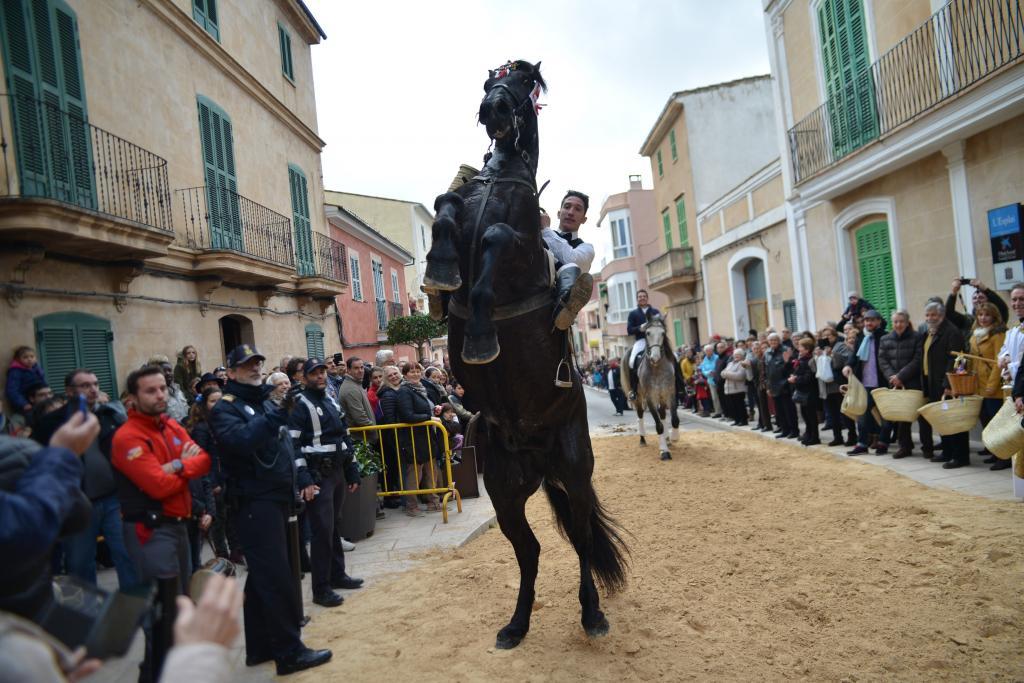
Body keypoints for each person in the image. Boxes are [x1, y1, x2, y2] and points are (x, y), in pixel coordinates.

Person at [209, 344, 332, 676]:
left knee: (263, 577)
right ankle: (289, 652)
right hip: (253, 502)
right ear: (231, 372)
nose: (255, 368)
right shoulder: (225, 409)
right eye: (246, 364)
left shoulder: (261, 401)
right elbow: (242, 441)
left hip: (274, 498)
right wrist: (277, 413)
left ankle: (260, 646)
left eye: (258, 362)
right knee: (277, 577)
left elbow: (282, 444)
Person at [111, 364, 212, 682]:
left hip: (180, 525)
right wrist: (183, 465)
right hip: (150, 530)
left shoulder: (169, 425)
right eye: (150, 391)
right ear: (132, 397)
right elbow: (157, 485)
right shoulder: (127, 437)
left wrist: (174, 466)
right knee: (163, 610)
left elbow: (203, 461)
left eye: (163, 389)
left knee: (179, 605)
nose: (159, 395)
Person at [28, 369, 137, 590]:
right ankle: (88, 609)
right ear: (69, 391)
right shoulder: (52, 423)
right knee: (80, 562)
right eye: (85, 385)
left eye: (95, 384)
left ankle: (136, 607)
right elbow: (36, 460)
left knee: (126, 555)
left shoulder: (110, 416)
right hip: (76, 502)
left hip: (113, 499)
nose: (93, 389)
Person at [289, 358, 364, 608]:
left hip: (337, 471)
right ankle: (320, 589)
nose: (320, 376)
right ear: (304, 378)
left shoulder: (330, 400)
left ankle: (337, 574)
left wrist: (352, 470)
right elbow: (293, 445)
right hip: (317, 475)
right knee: (321, 531)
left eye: (322, 372)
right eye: (314, 373)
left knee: (333, 527)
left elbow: (345, 436)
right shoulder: (299, 404)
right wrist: (305, 480)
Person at [919, 302, 969, 469]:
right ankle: (947, 451)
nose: (930, 318)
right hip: (933, 382)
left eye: (933, 314)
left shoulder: (951, 332)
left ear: (941, 315)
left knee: (953, 419)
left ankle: (960, 456)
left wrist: (949, 383)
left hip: (946, 383)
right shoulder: (930, 332)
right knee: (942, 419)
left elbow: (956, 359)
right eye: (927, 315)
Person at [543, 190, 596, 331]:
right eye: (567, 207)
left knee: (571, 267)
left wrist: (545, 230)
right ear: (558, 213)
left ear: (584, 219)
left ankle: (564, 307)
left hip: (553, 312)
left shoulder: (587, 248)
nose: (571, 212)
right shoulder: (540, 233)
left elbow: (571, 260)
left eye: (577, 209)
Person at [396, 362, 443, 517]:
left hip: (426, 436)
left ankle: (433, 502)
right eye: (411, 372)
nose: (415, 374)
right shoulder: (404, 391)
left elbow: (423, 409)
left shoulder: (421, 389)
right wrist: (428, 417)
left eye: (417, 371)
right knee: (415, 473)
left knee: (431, 470)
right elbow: (407, 415)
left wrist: (434, 410)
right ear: (405, 374)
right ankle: (412, 506)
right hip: (413, 438)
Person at [876, 310, 922, 458]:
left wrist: (901, 376)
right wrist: (892, 377)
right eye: (895, 321)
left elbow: (918, 359)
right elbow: (882, 360)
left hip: (913, 381)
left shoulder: (917, 337)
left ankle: (927, 446)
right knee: (901, 416)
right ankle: (905, 446)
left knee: (920, 416)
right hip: (894, 382)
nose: (898, 324)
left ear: (907, 323)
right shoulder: (885, 339)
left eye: (901, 321)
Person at [969, 302, 1009, 470]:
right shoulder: (975, 334)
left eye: (987, 315)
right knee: (985, 420)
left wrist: (992, 385)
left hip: (993, 386)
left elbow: (998, 363)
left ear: (994, 316)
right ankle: (993, 451)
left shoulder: (998, 335)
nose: (983, 318)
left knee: (996, 422)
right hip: (979, 385)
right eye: (980, 315)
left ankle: (1004, 456)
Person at [842, 309, 887, 455]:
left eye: (872, 320)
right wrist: (848, 365)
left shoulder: (885, 336)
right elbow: (854, 355)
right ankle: (862, 443)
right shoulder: (861, 336)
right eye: (867, 320)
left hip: (882, 382)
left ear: (879, 321)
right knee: (861, 413)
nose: (869, 323)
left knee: (885, 415)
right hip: (864, 383)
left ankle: (883, 442)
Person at [626, 290, 660, 401]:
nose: (642, 298)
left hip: (655, 340)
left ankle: (680, 387)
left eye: (644, 296)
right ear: (637, 299)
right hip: (641, 340)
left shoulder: (655, 312)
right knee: (631, 362)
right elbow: (629, 330)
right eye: (640, 297)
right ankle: (634, 390)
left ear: (647, 298)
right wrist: (639, 328)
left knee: (673, 357)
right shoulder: (633, 314)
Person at [765, 333, 798, 439]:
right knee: (779, 411)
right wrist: (768, 387)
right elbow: (767, 371)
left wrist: (787, 362)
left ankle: (794, 431)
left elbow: (791, 368)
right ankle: (785, 430)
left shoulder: (785, 350)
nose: (773, 342)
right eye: (771, 340)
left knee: (789, 410)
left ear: (779, 341)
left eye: (775, 340)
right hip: (774, 386)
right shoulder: (768, 352)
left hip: (785, 385)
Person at [789, 338, 820, 446]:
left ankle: (814, 437)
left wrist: (796, 379)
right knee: (805, 414)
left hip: (810, 392)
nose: (799, 348)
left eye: (801, 347)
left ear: (807, 349)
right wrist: (794, 376)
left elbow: (809, 378)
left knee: (811, 415)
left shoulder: (809, 360)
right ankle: (808, 434)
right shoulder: (801, 359)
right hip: (803, 391)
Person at [5, 345, 45, 417]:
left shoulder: (37, 369)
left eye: (32, 356)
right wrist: (23, 403)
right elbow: (12, 390)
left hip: (39, 401)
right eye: (25, 357)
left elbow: (43, 383)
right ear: (18, 359)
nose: (29, 359)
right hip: (26, 404)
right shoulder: (16, 372)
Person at [338, 357, 375, 432]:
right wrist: (374, 431)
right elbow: (361, 419)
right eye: (356, 368)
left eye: (362, 367)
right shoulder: (351, 389)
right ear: (348, 370)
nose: (360, 371)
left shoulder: (355, 384)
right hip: (363, 436)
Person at [149, 355, 190, 423]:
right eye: (164, 371)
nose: (168, 373)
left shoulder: (178, 391)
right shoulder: (157, 395)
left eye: (170, 370)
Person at [720, 349, 752, 426]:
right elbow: (722, 373)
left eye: (738, 354)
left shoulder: (742, 363)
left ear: (742, 356)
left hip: (738, 389)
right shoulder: (730, 363)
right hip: (729, 388)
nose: (736, 356)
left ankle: (743, 421)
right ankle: (737, 420)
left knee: (740, 405)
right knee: (733, 406)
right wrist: (728, 374)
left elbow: (740, 376)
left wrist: (727, 374)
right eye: (735, 354)